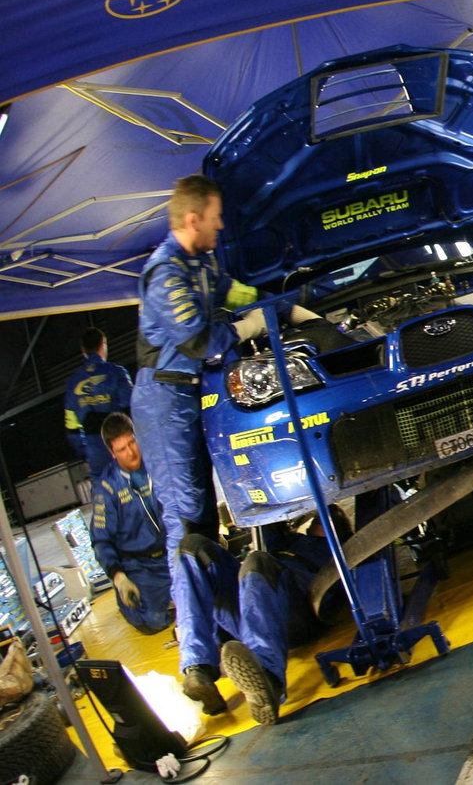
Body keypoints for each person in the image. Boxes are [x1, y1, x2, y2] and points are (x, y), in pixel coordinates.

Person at [130, 173, 267, 714]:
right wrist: (248, 324)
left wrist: (286, 297)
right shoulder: (164, 272)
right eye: (215, 217)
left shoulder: (204, 264)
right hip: (164, 402)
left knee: (208, 526)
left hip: (198, 393)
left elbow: (237, 293)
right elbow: (199, 338)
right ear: (192, 219)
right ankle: (196, 665)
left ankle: (224, 634)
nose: (222, 224)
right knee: (186, 525)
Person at [170, 508, 347, 725]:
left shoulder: (335, 550)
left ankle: (267, 678)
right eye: (319, 518)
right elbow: (264, 516)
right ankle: (198, 669)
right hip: (252, 602)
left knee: (258, 561)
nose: (319, 520)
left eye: (330, 519)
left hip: (297, 608)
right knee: (192, 546)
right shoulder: (284, 541)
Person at [87, 413, 172, 636]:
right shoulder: (106, 489)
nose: (131, 453)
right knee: (152, 622)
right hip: (140, 565)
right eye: (122, 449)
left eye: (132, 443)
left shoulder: (158, 465)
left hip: (173, 552)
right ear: (112, 453)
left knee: (212, 594)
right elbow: (101, 539)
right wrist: (118, 576)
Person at [63, 327, 132, 483]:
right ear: (103, 344)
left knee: (107, 500)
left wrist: (84, 455)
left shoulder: (72, 384)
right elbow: (131, 408)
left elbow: (72, 428)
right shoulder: (116, 372)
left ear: (83, 350)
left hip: (95, 452)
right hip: (124, 445)